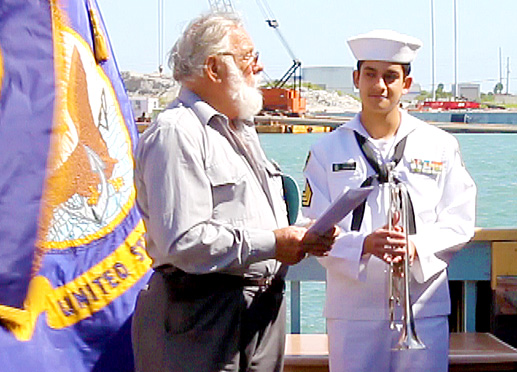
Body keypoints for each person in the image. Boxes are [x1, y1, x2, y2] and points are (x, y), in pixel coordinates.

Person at [131, 12, 336, 372]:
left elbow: (248, 214)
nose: (258, 70)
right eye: (248, 59)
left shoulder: (240, 130)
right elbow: (182, 241)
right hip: (201, 313)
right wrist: (274, 243)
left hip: (258, 310)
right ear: (213, 67)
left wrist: (304, 234)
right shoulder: (177, 133)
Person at [302, 30, 477, 372]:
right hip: (352, 311)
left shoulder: (439, 146)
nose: (379, 85)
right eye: (370, 74)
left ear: (406, 83)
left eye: (390, 76)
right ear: (356, 78)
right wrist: (362, 244)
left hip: (422, 306)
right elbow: (312, 229)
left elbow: (459, 221)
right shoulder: (326, 151)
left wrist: (415, 246)